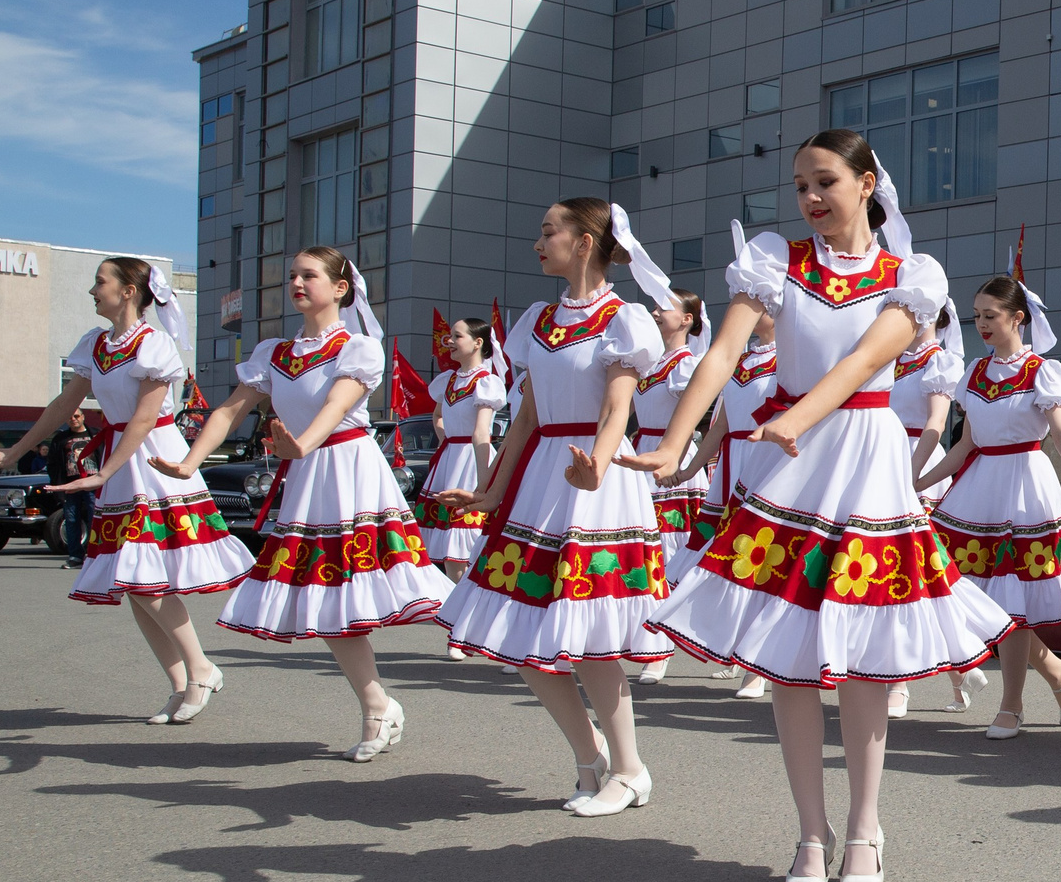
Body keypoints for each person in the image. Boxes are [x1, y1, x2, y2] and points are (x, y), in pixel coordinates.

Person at [627, 132, 1012, 882]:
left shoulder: (912, 275)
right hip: (791, 467)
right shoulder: (775, 259)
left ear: (866, 182)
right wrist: (673, 442)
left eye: (826, 181)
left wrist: (798, 416)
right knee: (789, 660)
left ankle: (865, 828)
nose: (809, 197)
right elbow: (720, 354)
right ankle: (811, 830)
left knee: (863, 660)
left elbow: (864, 362)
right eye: (801, 183)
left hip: (861, 459)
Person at [157, 248, 450, 760]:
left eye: (308, 275)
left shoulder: (357, 346)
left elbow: (339, 403)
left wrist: (301, 445)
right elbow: (229, 410)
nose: (296, 281)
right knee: (329, 597)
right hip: (311, 474)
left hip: (348, 471)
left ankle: (481, 629)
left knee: (374, 584)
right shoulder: (273, 352)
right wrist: (189, 463)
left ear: (340, 288)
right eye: (292, 275)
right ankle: (377, 704)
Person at [434, 198, 675, 818]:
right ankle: (590, 755)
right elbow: (529, 415)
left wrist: (596, 464)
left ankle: (629, 768)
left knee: (592, 636)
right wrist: (491, 489)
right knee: (518, 633)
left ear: (585, 241)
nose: (538, 241)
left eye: (550, 230)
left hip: (598, 475)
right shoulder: (538, 319)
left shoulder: (623, 318)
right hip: (543, 475)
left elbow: (618, 405)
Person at [0, 259, 256, 722]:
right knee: (132, 580)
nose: (92, 290)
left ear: (128, 291)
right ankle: (181, 683)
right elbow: (64, 403)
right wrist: (13, 452)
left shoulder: (154, 344)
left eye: (101, 282)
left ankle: (201, 668)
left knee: (145, 577)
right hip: (120, 462)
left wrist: (104, 472)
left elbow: (144, 417)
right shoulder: (95, 344)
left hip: (153, 461)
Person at [915, 277, 1061, 738]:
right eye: (977, 316)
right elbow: (964, 446)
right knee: (983, 602)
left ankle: (1011, 705)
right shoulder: (973, 373)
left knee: (1012, 603)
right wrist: (914, 483)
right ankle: (1056, 671)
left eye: (990, 315)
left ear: (1018, 318)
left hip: (1026, 490)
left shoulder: (1042, 371)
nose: (982, 324)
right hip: (980, 489)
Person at [667, 300, 774, 699]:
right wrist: (691, 465)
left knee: (760, 561)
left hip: (768, 463)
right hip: (732, 465)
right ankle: (736, 653)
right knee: (726, 559)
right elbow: (721, 425)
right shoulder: (740, 359)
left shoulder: (791, 358)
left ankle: (757, 669)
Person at [885, 301, 986, 719]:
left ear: (930, 316)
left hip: (914, 462)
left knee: (909, 575)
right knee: (896, 574)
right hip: (882, 458)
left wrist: (909, 475)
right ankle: (961, 670)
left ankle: (900, 683)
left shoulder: (940, 361)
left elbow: (936, 425)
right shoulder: (889, 360)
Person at [630, 288, 708, 686]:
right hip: (640, 454)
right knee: (645, 552)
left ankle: (663, 648)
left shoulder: (686, 364)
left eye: (665, 308)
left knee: (672, 554)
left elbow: (696, 418)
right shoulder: (647, 363)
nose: (655, 312)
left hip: (671, 457)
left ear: (687, 319)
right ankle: (650, 640)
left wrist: (675, 457)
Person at [418, 317, 505, 599]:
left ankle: (464, 619)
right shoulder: (448, 380)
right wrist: (446, 443)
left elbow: (482, 433)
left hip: (471, 460)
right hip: (450, 460)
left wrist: (484, 483)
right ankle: (461, 621)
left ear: (478, 342)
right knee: (449, 555)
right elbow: (438, 416)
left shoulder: (486, 382)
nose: (450, 343)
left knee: (463, 553)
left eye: (457, 336)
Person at [46, 408, 99, 566]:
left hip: (93, 483)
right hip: (70, 485)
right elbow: (53, 463)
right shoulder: (60, 439)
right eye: (70, 416)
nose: (73, 419)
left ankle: (94, 554)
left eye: (76, 416)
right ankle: (75, 556)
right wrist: (58, 484)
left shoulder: (95, 434)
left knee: (95, 519)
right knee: (71, 519)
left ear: (83, 417)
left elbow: (106, 455)